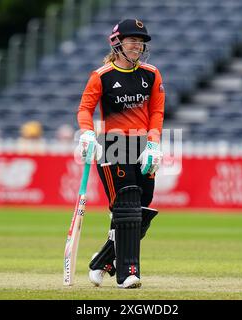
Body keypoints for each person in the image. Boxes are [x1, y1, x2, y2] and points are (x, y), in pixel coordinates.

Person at [76, 19, 165, 289]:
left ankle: (102, 260)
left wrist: (153, 143)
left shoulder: (151, 74)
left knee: (142, 210)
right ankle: (128, 273)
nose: (138, 45)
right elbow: (84, 109)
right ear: (117, 43)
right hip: (114, 144)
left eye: (141, 41)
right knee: (127, 207)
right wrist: (87, 134)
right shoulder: (102, 75)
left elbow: (156, 112)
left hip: (143, 145)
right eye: (132, 40)